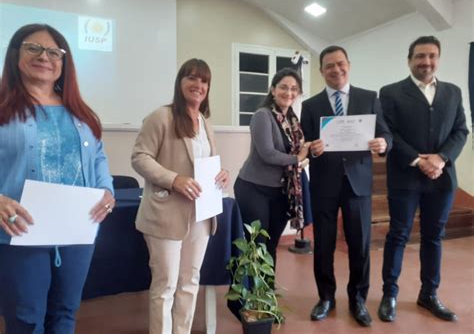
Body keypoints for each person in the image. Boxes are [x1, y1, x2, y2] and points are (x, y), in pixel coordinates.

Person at [0, 24, 114, 333]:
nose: (44, 57)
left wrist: (106, 189)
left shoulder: (80, 112)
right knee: (26, 317)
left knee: (65, 312)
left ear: (64, 63)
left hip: (77, 228)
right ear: (15, 55)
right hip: (21, 230)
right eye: (33, 48)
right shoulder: (2, 110)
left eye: (54, 52)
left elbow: (99, 157)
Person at [131, 58, 229, 334]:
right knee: (166, 286)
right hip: (166, 215)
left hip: (201, 214)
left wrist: (222, 174)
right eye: (192, 78)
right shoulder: (161, 116)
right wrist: (174, 180)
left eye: (204, 80)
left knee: (190, 283)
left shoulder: (205, 123)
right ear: (180, 82)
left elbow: (205, 163)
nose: (198, 85)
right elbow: (139, 157)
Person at [377, 36, 468, 323]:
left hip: (441, 178)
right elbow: (389, 132)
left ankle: (429, 294)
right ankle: (389, 294)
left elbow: (461, 131)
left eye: (432, 56)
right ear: (409, 60)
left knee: (433, 238)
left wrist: (441, 159)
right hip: (405, 176)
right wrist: (419, 160)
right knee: (398, 235)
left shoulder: (453, 92)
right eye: (420, 56)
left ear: (438, 59)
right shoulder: (390, 92)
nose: (426, 62)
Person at [301, 45, 392, 327]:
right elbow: (303, 144)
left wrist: (383, 143)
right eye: (329, 65)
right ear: (321, 71)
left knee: (360, 245)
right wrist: (311, 149)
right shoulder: (310, 105)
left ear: (348, 65)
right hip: (324, 183)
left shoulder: (369, 97)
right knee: (323, 245)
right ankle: (326, 297)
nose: (335, 70)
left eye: (340, 64)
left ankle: (358, 299)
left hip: (358, 183)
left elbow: (385, 131)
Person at [234, 67, 310, 270]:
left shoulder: (292, 121)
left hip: (280, 191)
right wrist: (298, 157)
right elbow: (268, 154)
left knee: (271, 245)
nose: (289, 92)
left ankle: (266, 297)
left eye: (294, 89)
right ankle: (245, 298)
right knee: (256, 245)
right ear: (273, 90)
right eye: (283, 87)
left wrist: (304, 157)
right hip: (253, 188)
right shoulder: (263, 115)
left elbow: (298, 151)